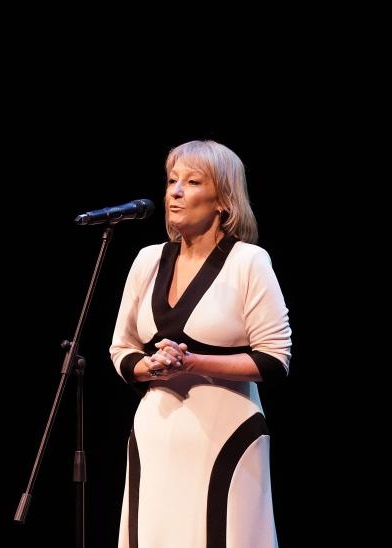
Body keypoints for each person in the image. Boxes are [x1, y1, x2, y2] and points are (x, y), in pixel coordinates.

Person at [110, 140, 291, 547]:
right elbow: (121, 348)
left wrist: (193, 362)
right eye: (172, 180)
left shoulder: (249, 261)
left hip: (225, 434)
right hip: (155, 435)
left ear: (223, 201)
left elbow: (274, 359)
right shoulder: (147, 260)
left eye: (192, 182)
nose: (175, 191)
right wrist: (149, 367)